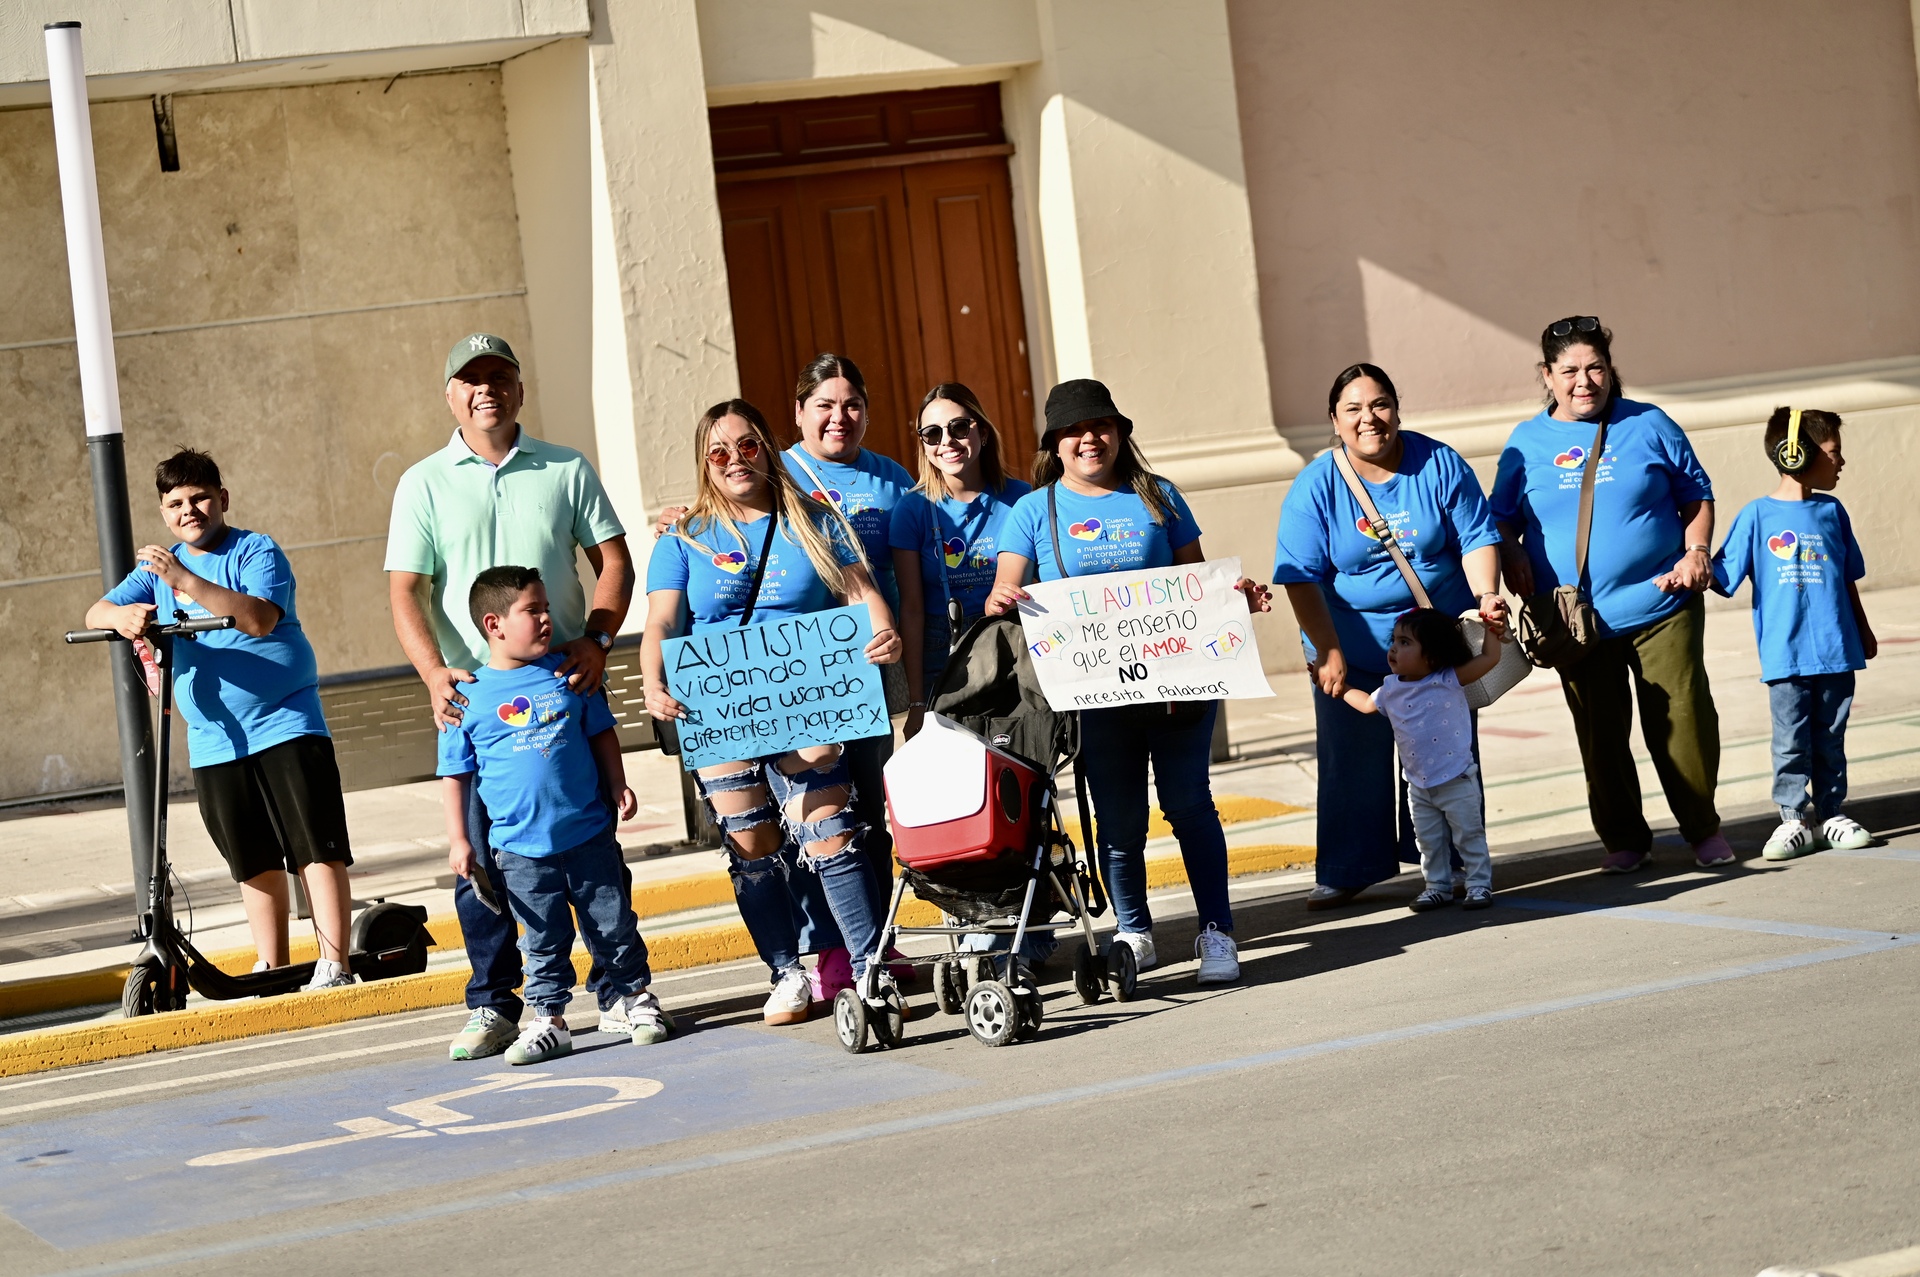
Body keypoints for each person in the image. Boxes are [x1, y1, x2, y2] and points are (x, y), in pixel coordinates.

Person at [386, 333, 637, 1061]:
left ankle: (619, 992)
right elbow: (405, 590)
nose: (486, 390)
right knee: (483, 868)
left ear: (520, 389)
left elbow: (613, 560)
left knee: (591, 859)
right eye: (470, 380)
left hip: (562, 692)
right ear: (450, 396)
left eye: (499, 376)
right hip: (476, 703)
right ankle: (494, 1003)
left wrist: (597, 638)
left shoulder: (566, 467)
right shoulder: (423, 483)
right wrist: (434, 673)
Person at [985, 379, 1271, 986]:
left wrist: (1234, 598)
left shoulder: (1158, 495)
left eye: (1101, 426)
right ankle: (1134, 933)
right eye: (1073, 431)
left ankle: (1217, 932)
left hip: (1176, 688)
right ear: (1054, 444)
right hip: (1094, 695)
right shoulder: (1034, 510)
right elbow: (1003, 589)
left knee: (1190, 805)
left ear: (1119, 433)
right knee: (1118, 823)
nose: (1089, 439)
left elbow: (1197, 581)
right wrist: (1002, 598)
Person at [656, 353, 914, 1000]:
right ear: (704, 463)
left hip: (808, 699)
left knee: (832, 833)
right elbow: (661, 621)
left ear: (767, 448)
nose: (736, 460)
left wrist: (883, 630)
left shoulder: (816, 520)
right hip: (721, 709)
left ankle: (867, 966)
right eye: (719, 452)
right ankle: (787, 971)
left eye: (748, 445)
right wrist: (654, 683)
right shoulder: (684, 537)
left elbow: (862, 591)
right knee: (752, 846)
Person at [87, 448, 354, 989]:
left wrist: (183, 580)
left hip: (285, 722)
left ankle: (336, 964)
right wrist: (123, 616)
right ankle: (272, 965)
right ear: (164, 513)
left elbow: (257, 619)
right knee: (251, 856)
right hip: (214, 739)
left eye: (200, 498)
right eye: (176, 503)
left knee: (314, 845)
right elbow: (96, 612)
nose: (189, 510)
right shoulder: (156, 570)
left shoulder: (255, 551)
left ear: (223, 499)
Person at [1492, 318, 1734, 873]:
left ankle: (1702, 827)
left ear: (1610, 369)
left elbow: (1696, 493)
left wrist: (1696, 550)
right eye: (1570, 371)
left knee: (1683, 719)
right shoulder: (1526, 442)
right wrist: (1512, 552)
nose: (1585, 381)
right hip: (1575, 621)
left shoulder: (1649, 423)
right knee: (1600, 733)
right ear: (1547, 376)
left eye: (1595, 367)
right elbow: (1500, 517)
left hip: (1661, 602)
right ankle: (1624, 838)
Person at [1272, 364, 1508, 910]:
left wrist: (1487, 594)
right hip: (1349, 646)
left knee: (1446, 754)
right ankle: (1349, 869)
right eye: (1353, 409)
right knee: (1349, 759)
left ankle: (1454, 864)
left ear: (1397, 409)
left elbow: (1476, 536)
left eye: (1380, 404)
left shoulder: (1439, 462)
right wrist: (1328, 650)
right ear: (1334, 421)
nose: (1369, 418)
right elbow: (1298, 576)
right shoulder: (1316, 484)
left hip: (1434, 651)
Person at [438, 566, 669, 1064]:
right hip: (519, 851)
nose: (546, 618)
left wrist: (618, 784)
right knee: (541, 940)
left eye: (546, 608)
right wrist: (460, 840)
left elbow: (601, 732)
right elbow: (455, 775)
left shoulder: (569, 673)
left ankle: (636, 1000)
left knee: (612, 926)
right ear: (494, 625)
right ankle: (549, 1020)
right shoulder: (466, 697)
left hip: (587, 836)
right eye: (532, 610)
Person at [1712, 407, 1877, 860]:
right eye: (1833, 452)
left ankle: (1830, 814)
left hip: (1837, 649)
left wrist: (1862, 629)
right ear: (1795, 453)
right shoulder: (1756, 515)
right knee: (1790, 741)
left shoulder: (1832, 511)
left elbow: (1846, 578)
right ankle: (1793, 818)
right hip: (1785, 655)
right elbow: (1721, 576)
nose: (1841, 462)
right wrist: (1685, 561)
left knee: (1831, 738)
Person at [889, 382, 1032, 740]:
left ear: (982, 432)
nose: (946, 442)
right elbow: (912, 609)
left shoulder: (1022, 499)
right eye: (932, 433)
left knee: (1017, 752)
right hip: (941, 647)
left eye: (959, 427)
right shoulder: (912, 509)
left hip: (1011, 639)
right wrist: (917, 701)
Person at [1342, 608, 1507, 912]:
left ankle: (1479, 884)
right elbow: (1366, 704)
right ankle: (1437, 887)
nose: (1394, 648)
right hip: (1418, 786)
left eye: (1405, 642)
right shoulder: (1390, 688)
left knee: (1469, 836)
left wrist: (1492, 629)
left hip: (1457, 779)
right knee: (1428, 841)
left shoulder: (1448, 679)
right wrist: (1341, 688)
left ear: (1432, 656)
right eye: (1394, 641)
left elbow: (1489, 658)